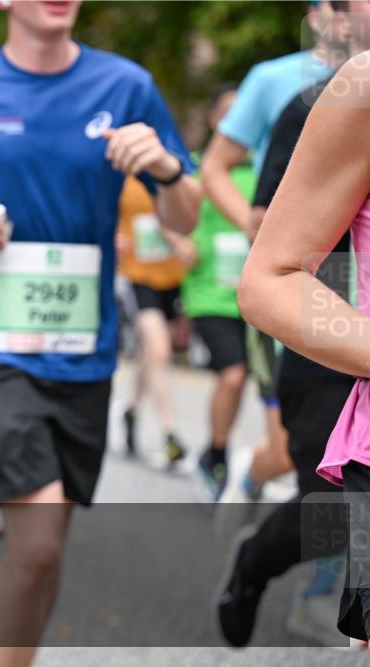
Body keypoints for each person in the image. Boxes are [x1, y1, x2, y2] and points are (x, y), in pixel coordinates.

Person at [0, 1, 199, 663]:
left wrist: (169, 170)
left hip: (82, 348)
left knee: (47, 546)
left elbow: (187, 213)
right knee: (33, 543)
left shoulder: (126, 86)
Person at [237, 52, 369, 647]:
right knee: (323, 506)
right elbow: (269, 258)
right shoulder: (324, 94)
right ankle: (260, 567)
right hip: (329, 348)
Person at [198, 0, 349, 500]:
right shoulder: (276, 81)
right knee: (293, 451)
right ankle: (251, 480)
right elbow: (216, 166)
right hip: (295, 281)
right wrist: (260, 230)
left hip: (354, 285)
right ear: (318, 16)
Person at [175, 86, 257, 501]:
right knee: (233, 372)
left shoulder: (266, 168)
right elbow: (168, 216)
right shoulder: (195, 169)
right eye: (228, 114)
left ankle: (264, 463)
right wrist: (177, 242)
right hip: (211, 295)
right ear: (213, 121)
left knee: (261, 382)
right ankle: (218, 452)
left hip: (261, 298)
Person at [115, 175, 188, 463]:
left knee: (150, 356)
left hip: (173, 276)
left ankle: (131, 411)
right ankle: (170, 433)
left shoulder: (175, 172)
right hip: (138, 275)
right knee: (159, 350)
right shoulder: (122, 177)